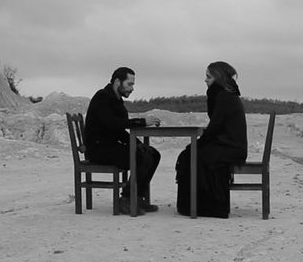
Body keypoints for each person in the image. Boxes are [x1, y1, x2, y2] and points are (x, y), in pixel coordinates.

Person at [84, 67, 162, 215]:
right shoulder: (103, 97)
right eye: (129, 84)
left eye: (133, 84)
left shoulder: (117, 101)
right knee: (140, 156)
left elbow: (120, 131)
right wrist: (141, 122)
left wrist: (140, 145)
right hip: (99, 150)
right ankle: (125, 200)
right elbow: (112, 123)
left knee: (153, 154)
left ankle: (137, 197)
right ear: (117, 81)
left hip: (111, 147)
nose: (132, 88)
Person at [176, 61, 247, 218]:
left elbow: (215, 125)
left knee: (193, 155)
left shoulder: (224, 95)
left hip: (231, 148)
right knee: (192, 153)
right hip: (229, 144)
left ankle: (206, 207)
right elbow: (217, 124)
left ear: (218, 77)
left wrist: (197, 144)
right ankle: (200, 205)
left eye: (208, 76)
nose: (205, 80)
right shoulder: (224, 93)